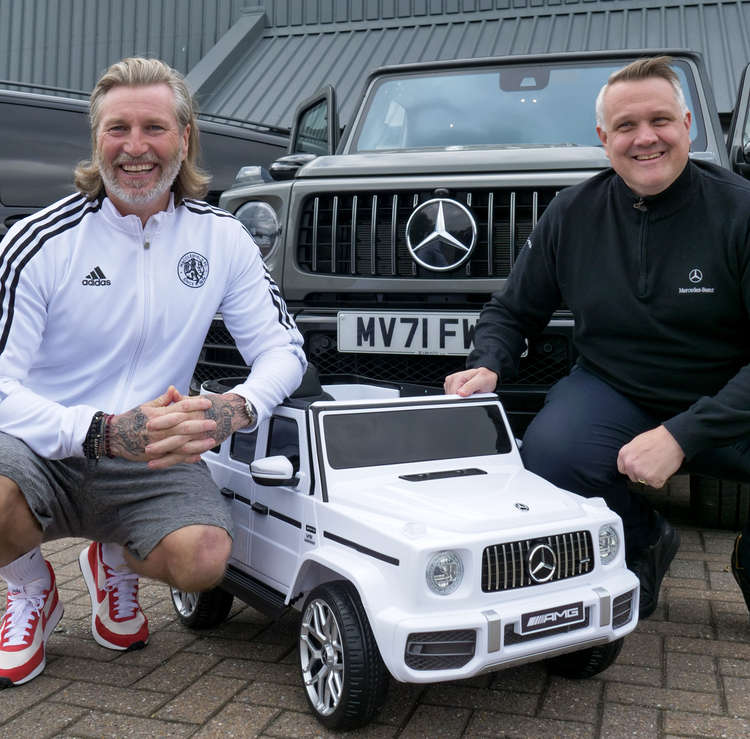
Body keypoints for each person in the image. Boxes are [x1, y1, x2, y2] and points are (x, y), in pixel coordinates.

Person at [0, 57, 306, 687]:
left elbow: (284, 350)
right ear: (96, 140)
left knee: (204, 560)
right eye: (117, 129)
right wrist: (101, 431)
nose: (135, 148)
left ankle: (115, 559)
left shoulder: (222, 239)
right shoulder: (38, 240)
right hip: (41, 446)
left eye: (154, 127)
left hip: (155, 454)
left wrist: (237, 407)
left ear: (185, 137)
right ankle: (29, 587)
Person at [445, 56, 750, 620]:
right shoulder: (572, 210)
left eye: (660, 120)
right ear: (603, 138)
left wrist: (683, 434)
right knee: (552, 454)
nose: (645, 139)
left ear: (688, 123)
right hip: (618, 391)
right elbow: (513, 310)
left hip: (732, 402)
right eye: (626, 127)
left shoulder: (741, 210)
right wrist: (489, 362)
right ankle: (643, 543)